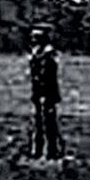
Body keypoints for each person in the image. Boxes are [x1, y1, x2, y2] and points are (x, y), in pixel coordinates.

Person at [29, 24, 63, 161]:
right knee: (39, 122)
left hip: (47, 92)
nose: (33, 39)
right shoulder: (37, 53)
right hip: (38, 91)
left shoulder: (48, 55)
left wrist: (44, 94)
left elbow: (48, 76)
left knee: (48, 122)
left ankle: (51, 150)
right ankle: (39, 149)